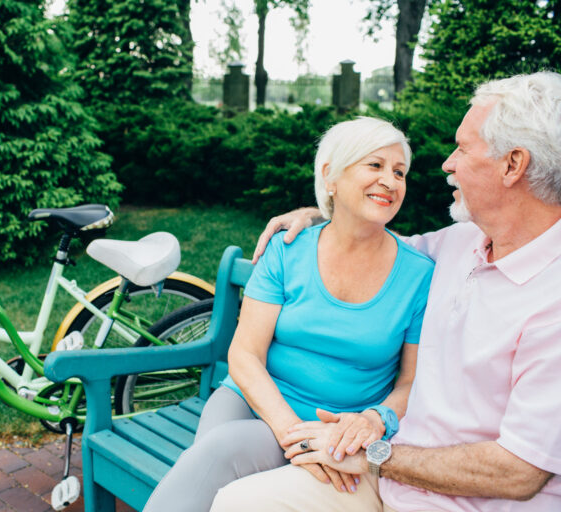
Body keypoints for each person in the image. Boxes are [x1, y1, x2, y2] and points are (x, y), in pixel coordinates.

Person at [210, 71, 561, 512]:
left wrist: (376, 455)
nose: (447, 163)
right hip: (386, 480)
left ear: (513, 165)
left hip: (458, 498)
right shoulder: (463, 241)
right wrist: (322, 212)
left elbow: (519, 473)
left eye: (463, 148)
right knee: (236, 503)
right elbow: (367, 242)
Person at [142, 118, 435, 512]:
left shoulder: (418, 274)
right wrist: (293, 437)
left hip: (339, 432)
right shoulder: (288, 249)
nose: (391, 180)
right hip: (250, 400)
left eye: (400, 172)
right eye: (375, 165)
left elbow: (410, 381)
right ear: (330, 175)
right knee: (217, 457)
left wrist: (374, 419)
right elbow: (245, 355)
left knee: (219, 471)